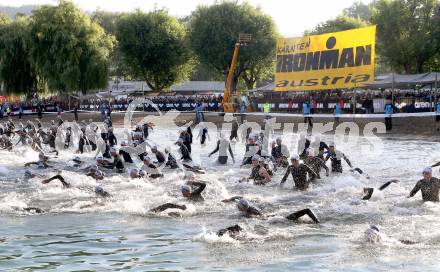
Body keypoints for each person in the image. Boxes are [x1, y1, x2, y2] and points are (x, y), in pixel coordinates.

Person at [236, 199, 320, 223]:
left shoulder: (249, 213)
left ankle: (318, 222)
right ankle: (316, 221)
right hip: (274, 217)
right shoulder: (250, 208)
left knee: (305, 211)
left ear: (242, 208)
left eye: (238, 206)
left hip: (278, 219)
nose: (237, 208)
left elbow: (260, 217)